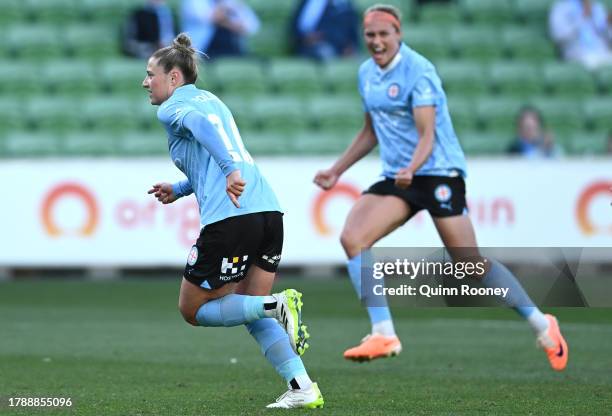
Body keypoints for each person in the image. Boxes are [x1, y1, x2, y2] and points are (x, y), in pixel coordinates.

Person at [313, 4, 569, 371]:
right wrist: (336, 171)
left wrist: (412, 168)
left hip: (437, 172)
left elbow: (428, 135)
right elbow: (370, 131)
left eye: (384, 34)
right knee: (353, 238)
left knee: (472, 267)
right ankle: (383, 332)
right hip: (400, 176)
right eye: (371, 35)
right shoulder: (366, 74)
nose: (377, 41)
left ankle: (543, 324)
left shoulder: (419, 71)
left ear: (398, 34)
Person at [143, 33, 324, 409]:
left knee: (192, 310)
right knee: (250, 308)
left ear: (174, 78)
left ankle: (275, 305)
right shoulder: (214, 101)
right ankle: (302, 386)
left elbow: (201, 130)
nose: (145, 82)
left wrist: (229, 171)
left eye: (150, 74)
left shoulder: (173, 108)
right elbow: (206, 153)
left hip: (232, 215)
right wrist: (180, 187)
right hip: (269, 213)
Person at [180, 0, 259, 58]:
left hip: (232, 48)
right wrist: (231, 22)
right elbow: (209, 17)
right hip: (204, 49)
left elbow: (252, 26)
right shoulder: (194, 2)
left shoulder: (230, 3)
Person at [549, 0, 612, 70]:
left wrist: (608, 24)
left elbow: (606, 37)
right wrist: (582, 18)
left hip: (602, 51)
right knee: (593, 62)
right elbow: (559, 36)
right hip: (577, 53)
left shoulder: (597, 7)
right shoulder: (561, 8)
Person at [290, 0, 360, 61]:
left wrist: (350, 47)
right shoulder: (308, 3)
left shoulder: (345, 5)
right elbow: (294, 29)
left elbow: (352, 32)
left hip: (339, 48)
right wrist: (305, 38)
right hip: (310, 46)